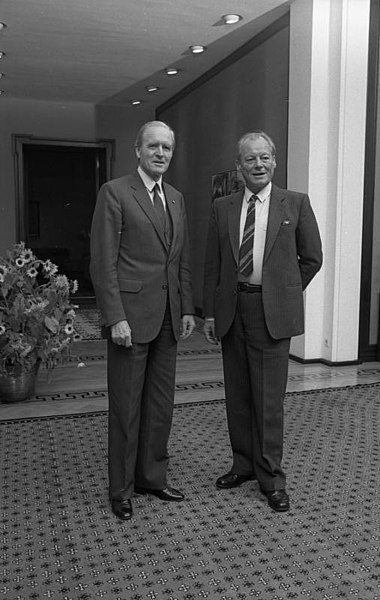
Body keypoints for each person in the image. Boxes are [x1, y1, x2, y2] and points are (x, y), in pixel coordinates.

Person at [203, 130, 322, 512]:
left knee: (268, 400)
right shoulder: (223, 207)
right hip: (232, 310)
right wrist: (208, 310)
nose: (259, 165)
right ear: (238, 167)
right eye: (250, 159)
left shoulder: (296, 204)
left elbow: (312, 258)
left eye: (265, 158)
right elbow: (214, 264)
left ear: (274, 161)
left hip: (272, 314)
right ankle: (243, 465)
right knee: (238, 395)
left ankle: (271, 477)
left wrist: (283, 291)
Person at [90, 121, 195, 521]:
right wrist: (114, 316)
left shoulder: (176, 198)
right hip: (129, 321)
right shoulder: (115, 192)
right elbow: (103, 262)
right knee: (126, 407)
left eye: (167, 147)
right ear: (137, 149)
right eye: (153, 146)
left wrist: (186, 308)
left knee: (160, 405)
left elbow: (181, 257)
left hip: (168, 318)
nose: (161, 153)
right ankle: (121, 489)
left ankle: (152, 476)